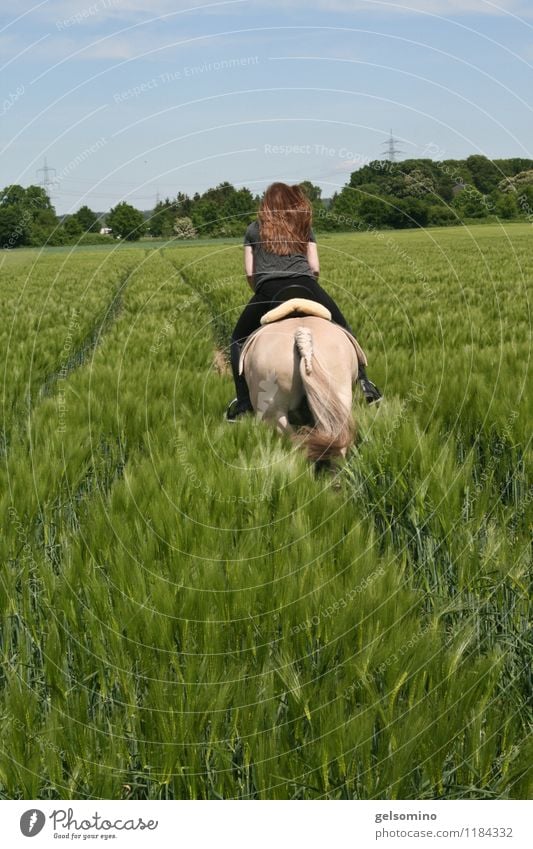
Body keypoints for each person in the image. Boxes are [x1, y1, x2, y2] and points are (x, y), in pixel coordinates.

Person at [225, 182, 382, 421]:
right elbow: (315, 268)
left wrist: (262, 289)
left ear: (266, 205)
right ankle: (364, 384)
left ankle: (244, 401)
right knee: (344, 329)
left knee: (237, 339)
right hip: (306, 286)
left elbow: (250, 273)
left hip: (268, 291)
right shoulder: (303, 226)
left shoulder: (253, 230)